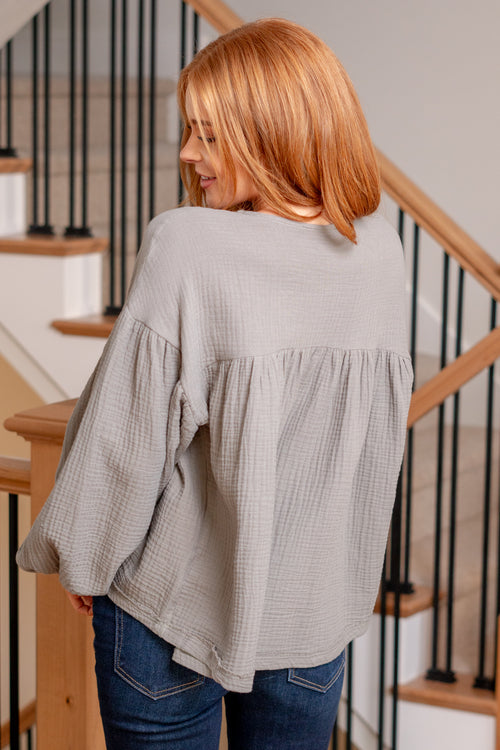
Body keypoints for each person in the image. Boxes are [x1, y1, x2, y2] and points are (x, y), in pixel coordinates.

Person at [17, 17, 413, 750]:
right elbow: (367, 442)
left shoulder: (188, 243)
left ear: (272, 133)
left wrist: (85, 555)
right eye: (190, 130)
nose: (187, 154)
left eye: (210, 134)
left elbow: (126, 432)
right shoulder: (380, 250)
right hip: (309, 620)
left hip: (168, 618)